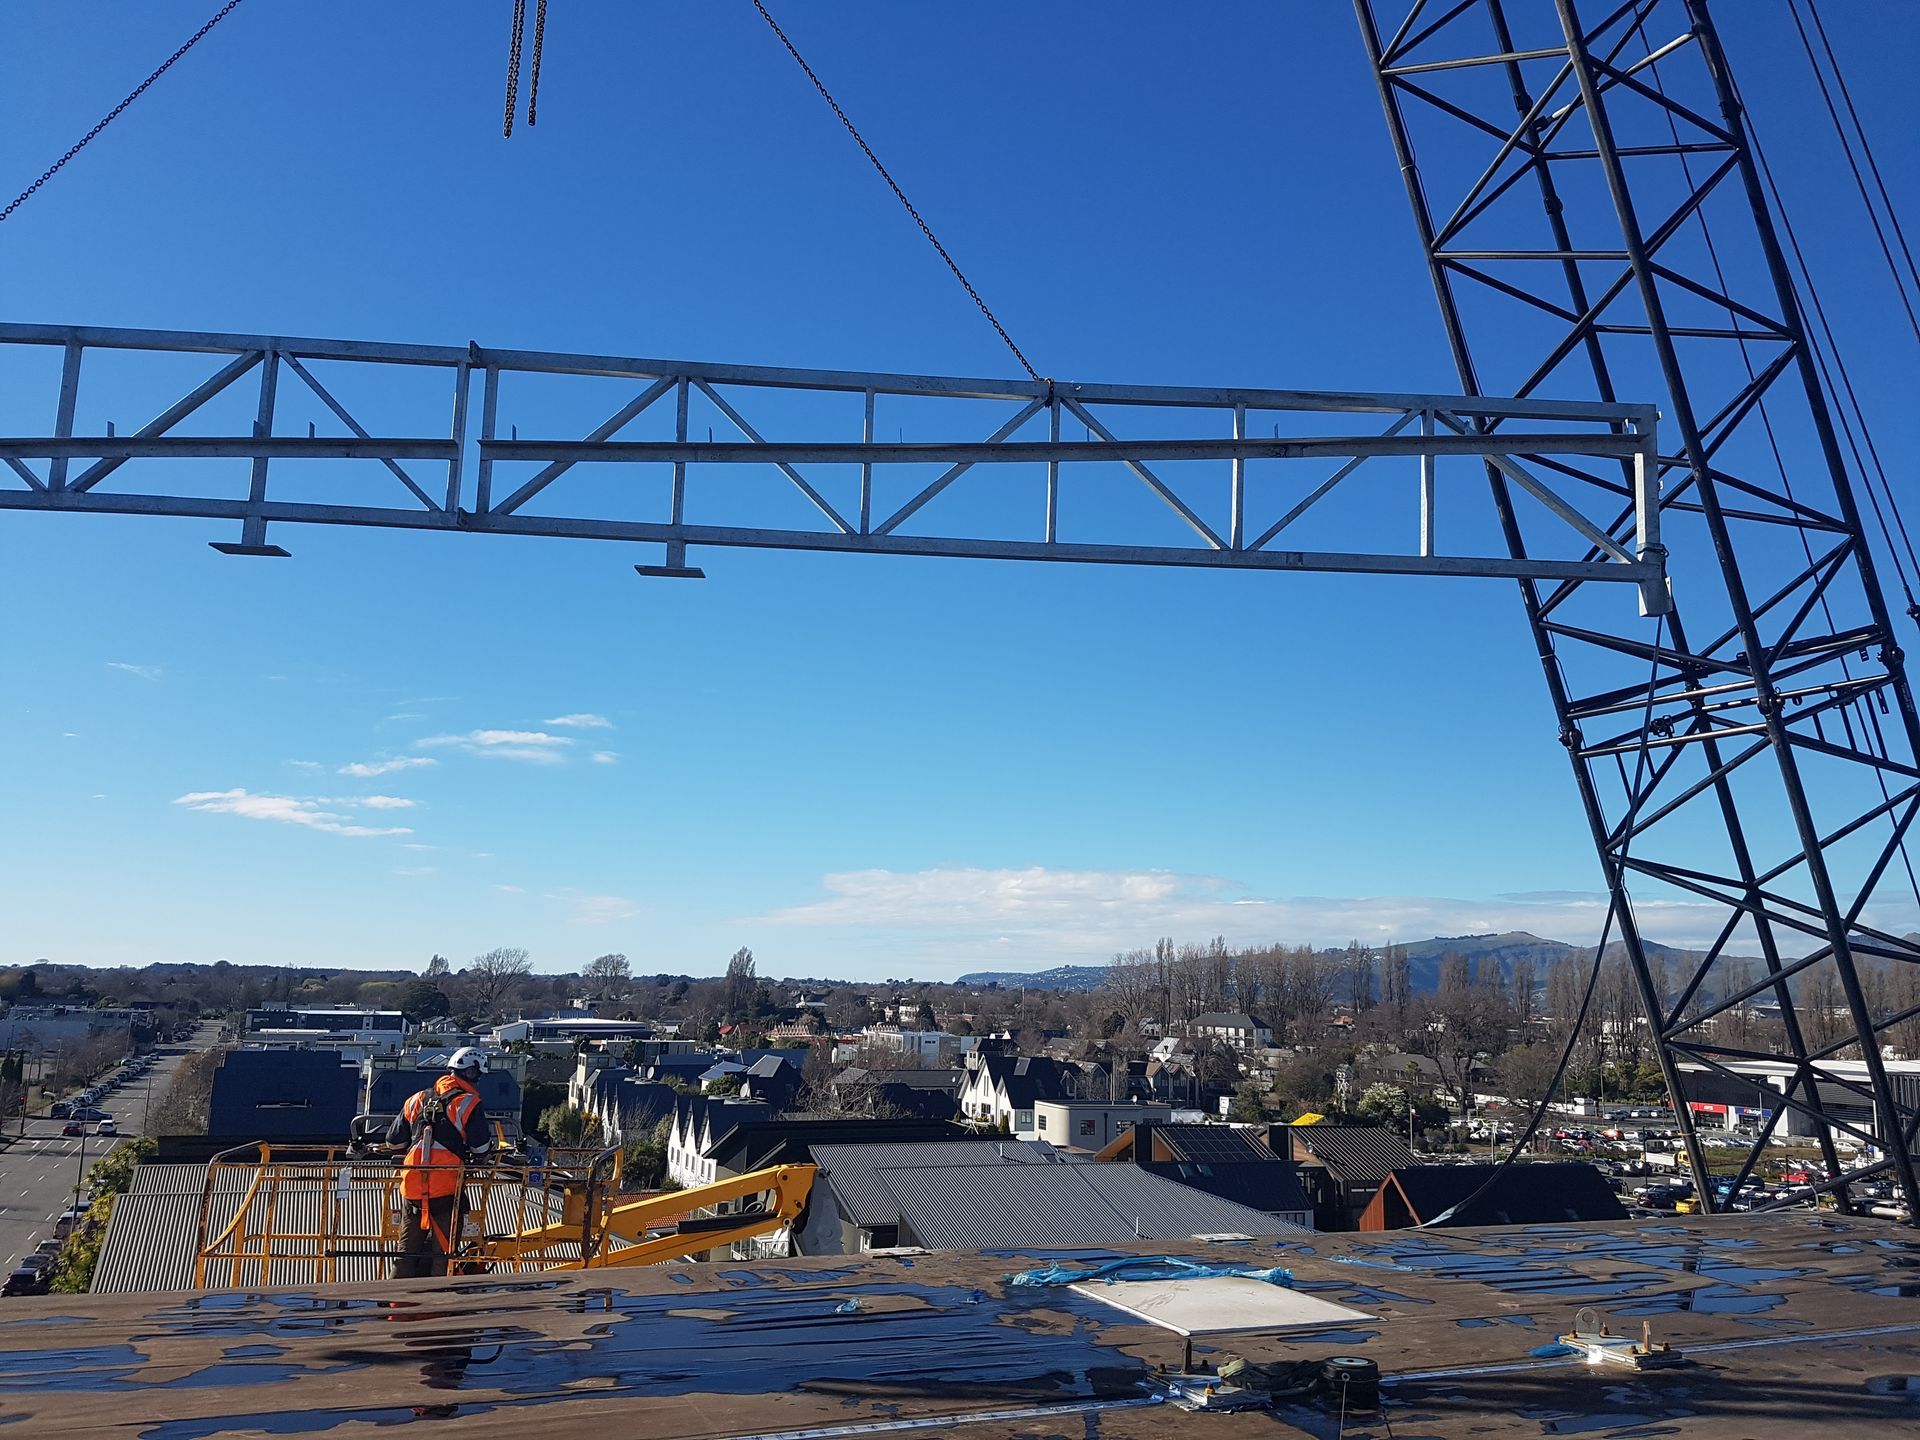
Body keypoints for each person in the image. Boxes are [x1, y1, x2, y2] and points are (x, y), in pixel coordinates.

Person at [386, 1047, 493, 1279]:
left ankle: (393, 1302)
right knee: (443, 1253)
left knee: (405, 1252)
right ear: (472, 1073)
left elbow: (394, 1142)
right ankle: (437, 1302)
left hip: (413, 1188)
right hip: (446, 1189)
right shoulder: (468, 1103)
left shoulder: (416, 1099)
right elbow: (481, 1148)